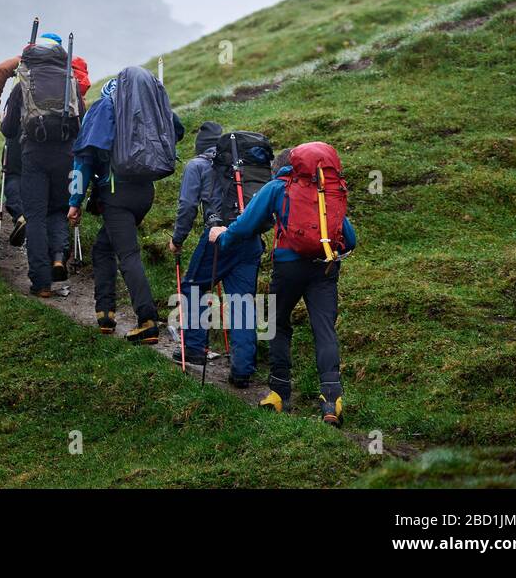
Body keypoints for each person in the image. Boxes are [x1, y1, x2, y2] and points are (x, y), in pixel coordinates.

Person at [209, 143, 356, 424]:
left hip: (288, 267)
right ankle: (331, 401)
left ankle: (279, 393)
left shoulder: (279, 187)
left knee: (278, 324)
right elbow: (350, 238)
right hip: (325, 268)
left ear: (283, 167)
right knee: (324, 329)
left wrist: (223, 238)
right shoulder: (326, 190)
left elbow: (247, 224)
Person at [67, 67, 184, 343]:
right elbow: (176, 129)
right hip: (144, 192)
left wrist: (75, 201)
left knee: (128, 254)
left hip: (116, 193)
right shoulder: (151, 105)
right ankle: (105, 313)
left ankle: (147, 320)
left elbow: (83, 159)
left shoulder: (106, 106)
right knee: (103, 248)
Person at [170, 122, 265, 387]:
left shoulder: (196, 166)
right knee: (242, 302)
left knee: (194, 286)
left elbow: (188, 206)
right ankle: (243, 370)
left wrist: (177, 240)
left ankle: (194, 349)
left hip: (219, 237)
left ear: (200, 146)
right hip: (250, 236)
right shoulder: (242, 167)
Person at [0, 33, 80, 296]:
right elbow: (79, 119)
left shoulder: (25, 81)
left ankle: (41, 283)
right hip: (65, 153)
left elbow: (7, 129)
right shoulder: (69, 80)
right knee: (59, 208)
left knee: (36, 216)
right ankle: (59, 257)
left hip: (34, 155)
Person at [0, 54, 89, 248]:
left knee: (14, 174)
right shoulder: (67, 72)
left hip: (24, 131)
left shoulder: (25, 65)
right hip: (61, 139)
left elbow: (0, 70)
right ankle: (55, 248)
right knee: (51, 187)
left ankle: (21, 214)